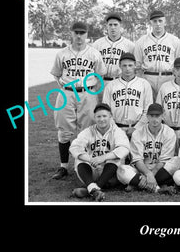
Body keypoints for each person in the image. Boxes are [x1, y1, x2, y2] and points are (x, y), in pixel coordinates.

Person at [49, 21, 107, 180]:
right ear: (72, 34)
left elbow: (100, 74)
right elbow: (56, 73)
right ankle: (63, 167)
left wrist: (93, 90)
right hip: (67, 93)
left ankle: (85, 164)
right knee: (63, 130)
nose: (79, 36)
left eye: (82, 33)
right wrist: (61, 85)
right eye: (76, 33)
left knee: (87, 129)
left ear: (87, 35)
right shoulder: (62, 53)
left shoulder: (94, 53)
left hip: (87, 93)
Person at [69, 103, 130, 201]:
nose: (101, 119)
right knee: (79, 159)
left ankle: (91, 189)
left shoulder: (117, 131)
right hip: (91, 169)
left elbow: (124, 148)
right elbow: (74, 147)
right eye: (99, 116)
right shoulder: (88, 131)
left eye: (104, 116)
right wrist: (90, 159)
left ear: (110, 116)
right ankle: (96, 190)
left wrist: (103, 158)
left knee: (115, 159)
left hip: (109, 172)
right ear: (94, 117)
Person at [116, 103, 180, 194]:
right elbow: (137, 159)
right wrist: (148, 173)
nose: (154, 119)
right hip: (141, 169)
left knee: (177, 161)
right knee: (121, 170)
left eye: (157, 116)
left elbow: (164, 160)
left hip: (160, 169)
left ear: (162, 116)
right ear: (147, 116)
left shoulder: (169, 132)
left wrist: (151, 174)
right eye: (152, 116)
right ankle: (158, 188)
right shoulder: (138, 133)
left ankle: (137, 184)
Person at [102, 52, 153, 138]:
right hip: (115, 128)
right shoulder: (111, 85)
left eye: (130, 65)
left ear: (135, 65)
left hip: (138, 128)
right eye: (124, 65)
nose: (127, 69)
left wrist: (137, 128)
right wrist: (115, 128)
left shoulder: (144, 84)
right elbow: (105, 110)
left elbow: (148, 110)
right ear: (119, 66)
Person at [134, 10, 180, 99]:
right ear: (150, 23)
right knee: (148, 107)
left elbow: (179, 63)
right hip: (148, 77)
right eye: (155, 21)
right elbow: (137, 65)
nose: (158, 24)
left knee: (168, 107)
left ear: (165, 22)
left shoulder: (175, 40)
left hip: (168, 77)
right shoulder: (141, 41)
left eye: (160, 21)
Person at [92, 12, 135, 101]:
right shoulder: (97, 44)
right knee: (100, 109)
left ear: (120, 26)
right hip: (101, 82)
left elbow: (133, 67)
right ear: (106, 26)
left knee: (118, 110)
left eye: (115, 25)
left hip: (119, 81)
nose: (113, 27)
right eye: (110, 25)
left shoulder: (129, 45)